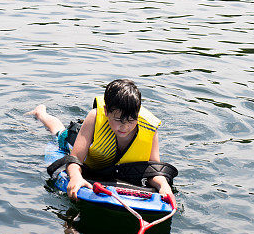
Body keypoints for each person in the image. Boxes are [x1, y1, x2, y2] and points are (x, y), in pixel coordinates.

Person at [31, 79, 176, 203]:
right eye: (118, 120)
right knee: (60, 133)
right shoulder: (95, 117)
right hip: (86, 145)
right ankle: (41, 113)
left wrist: (163, 185)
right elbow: (74, 159)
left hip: (115, 167)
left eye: (131, 120)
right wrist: (75, 177)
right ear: (106, 112)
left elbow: (153, 171)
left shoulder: (149, 128)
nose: (124, 126)